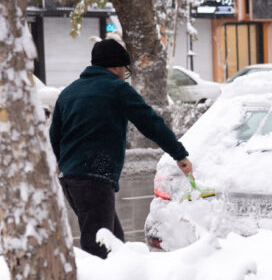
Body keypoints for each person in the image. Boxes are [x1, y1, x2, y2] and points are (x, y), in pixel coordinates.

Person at [49, 38, 192, 259]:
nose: (125, 73)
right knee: (99, 245)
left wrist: (67, 164)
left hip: (70, 178)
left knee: (113, 240)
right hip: (95, 176)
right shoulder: (116, 89)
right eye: (125, 68)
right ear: (116, 66)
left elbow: (54, 135)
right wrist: (179, 154)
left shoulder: (69, 92)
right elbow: (150, 122)